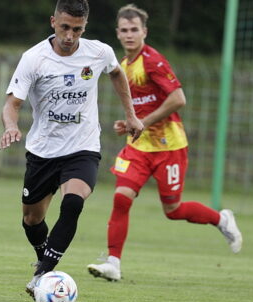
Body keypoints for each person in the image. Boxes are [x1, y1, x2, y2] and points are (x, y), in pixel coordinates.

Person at [87, 4, 243, 282]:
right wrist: (129, 122)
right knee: (121, 198)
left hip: (169, 147)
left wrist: (142, 122)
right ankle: (113, 263)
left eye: (135, 30)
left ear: (144, 32)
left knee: (173, 210)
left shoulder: (153, 61)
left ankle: (221, 220)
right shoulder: (123, 65)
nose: (129, 35)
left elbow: (178, 98)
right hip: (138, 147)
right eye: (124, 30)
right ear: (118, 34)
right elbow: (140, 106)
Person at [0, 0, 144, 298]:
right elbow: (12, 104)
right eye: (64, 27)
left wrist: (131, 114)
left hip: (83, 147)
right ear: (53, 22)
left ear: (85, 27)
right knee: (31, 219)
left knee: (74, 203)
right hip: (43, 151)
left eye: (77, 29)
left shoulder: (99, 52)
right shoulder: (34, 58)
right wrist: (11, 126)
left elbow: (116, 73)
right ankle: (44, 256)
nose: (69, 35)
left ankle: (42, 273)